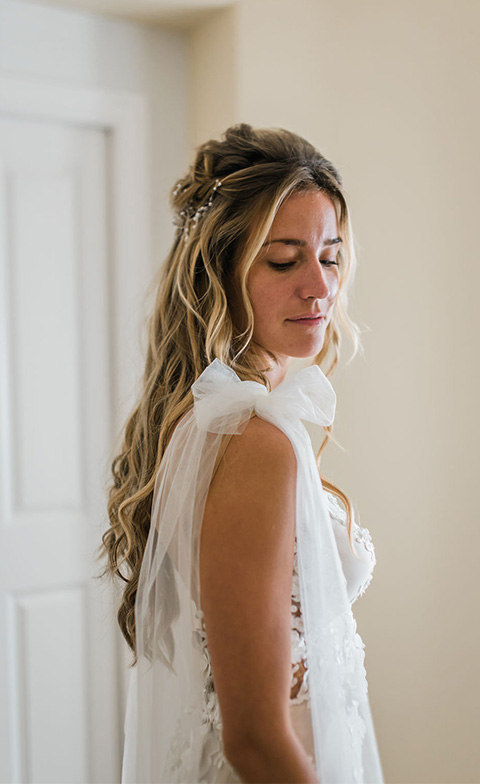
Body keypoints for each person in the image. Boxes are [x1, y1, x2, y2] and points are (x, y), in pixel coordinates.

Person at [101, 123, 385, 783]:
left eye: (331, 254)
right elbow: (254, 739)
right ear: (220, 270)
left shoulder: (222, 422)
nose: (320, 286)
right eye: (285, 259)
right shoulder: (252, 440)